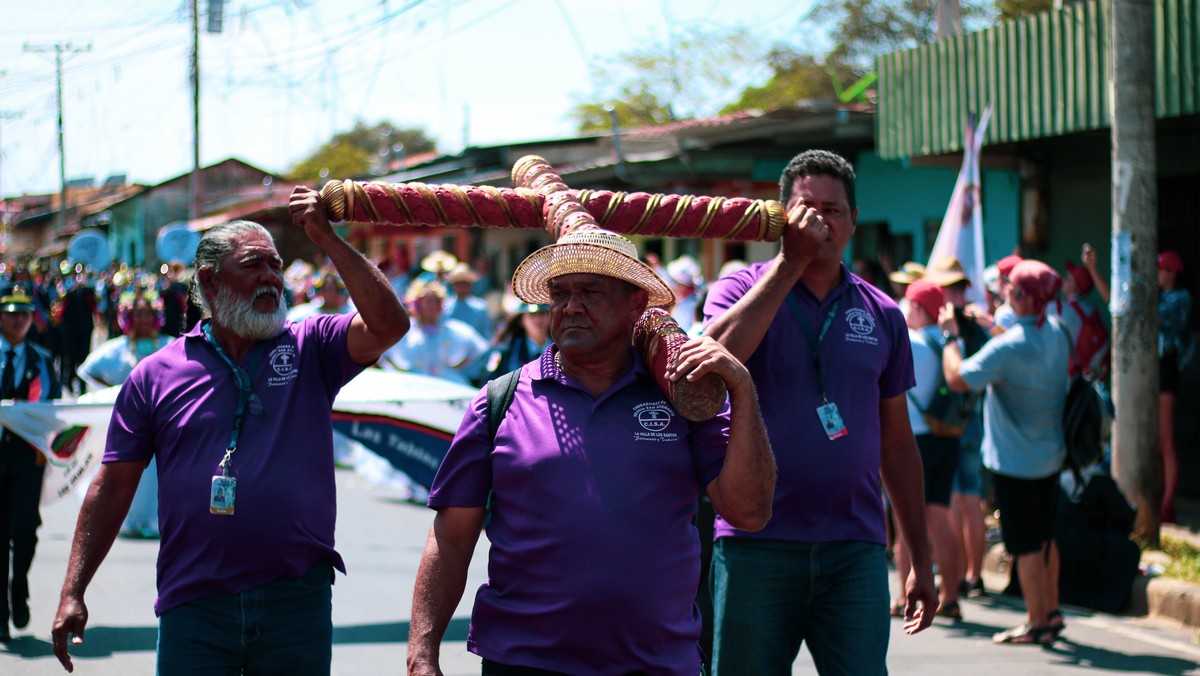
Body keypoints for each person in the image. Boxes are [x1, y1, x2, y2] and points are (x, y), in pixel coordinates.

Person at [51, 186, 410, 674]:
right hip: (194, 603)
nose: (271, 278)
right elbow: (112, 487)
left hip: (295, 599)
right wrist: (73, 589)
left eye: (276, 266)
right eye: (253, 266)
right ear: (210, 281)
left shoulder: (310, 345)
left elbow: (389, 325)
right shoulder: (155, 374)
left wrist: (326, 238)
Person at [407, 228, 776, 675]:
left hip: (655, 664)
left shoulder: (680, 398)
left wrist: (742, 389)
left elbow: (749, 512)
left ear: (636, 302)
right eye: (558, 293)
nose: (570, 307)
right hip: (524, 663)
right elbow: (451, 536)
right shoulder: (500, 400)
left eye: (590, 292)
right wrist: (421, 655)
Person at [702, 149, 937, 675]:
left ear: (853, 221)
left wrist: (919, 558)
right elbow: (711, 362)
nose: (820, 221)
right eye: (806, 208)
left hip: (853, 548)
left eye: (833, 210)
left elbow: (897, 445)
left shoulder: (881, 312)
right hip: (755, 543)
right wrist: (791, 263)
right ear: (781, 217)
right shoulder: (741, 288)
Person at [939, 259, 1070, 645]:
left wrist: (951, 337)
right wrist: (987, 324)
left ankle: (1036, 623)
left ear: (1022, 296)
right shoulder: (1057, 332)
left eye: (1010, 287)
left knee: (1026, 545)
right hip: (1051, 456)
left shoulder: (1010, 347)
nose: (1003, 291)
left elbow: (957, 379)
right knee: (1046, 539)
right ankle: (1052, 609)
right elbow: (1015, 340)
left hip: (1016, 463)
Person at [76, 290, 175, 539]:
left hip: (160, 427)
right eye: (138, 314)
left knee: (155, 477)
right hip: (129, 428)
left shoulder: (169, 345)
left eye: (147, 314)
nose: (142, 320)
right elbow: (89, 370)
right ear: (128, 318)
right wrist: (115, 394)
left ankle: (153, 520)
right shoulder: (117, 349)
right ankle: (125, 519)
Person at [894, 279, 963, 621]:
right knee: (940, 521)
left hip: (915, 441)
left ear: (918, 307)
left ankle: (901, 598)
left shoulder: (907, 341)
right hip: (947, 437)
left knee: (906, 521)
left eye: (907, 302)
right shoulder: (948, 342)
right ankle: (951, 596)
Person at [926, 257, 991, 600]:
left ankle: (952, 578)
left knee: (951, 502)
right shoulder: (977, 325)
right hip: (975, 419)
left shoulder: (942, 327)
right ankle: (974, 576)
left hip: (950, 423)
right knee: (972, 500)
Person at [0, 287, 62, 642]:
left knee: (24, 530)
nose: (19, 319)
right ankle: (1, 613)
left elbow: (52, 407)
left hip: (27, 457)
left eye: (24, 314)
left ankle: (18, 584)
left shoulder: (40, 358)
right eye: (12, 313)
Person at [380, 278, 488, 385]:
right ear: (417, 303)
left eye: (438, 301)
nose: (433, 306)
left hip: (445, 383)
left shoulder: (453, 329)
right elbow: (381, 354)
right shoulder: (404, 330)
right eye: (429, 301)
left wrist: (457, 365)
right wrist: (396, 372)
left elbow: (481, 349)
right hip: (412, 384)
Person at [1157, 250, 1192, 524]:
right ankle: (1158, 498)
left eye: (1160, 269)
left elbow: (1156, 320)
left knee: (1167, 441)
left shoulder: (1181, 298)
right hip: (1154, 370)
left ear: (1170, 272)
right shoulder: (1160, 297)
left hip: (1168, 370)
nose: (1156, 274)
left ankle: (1167, 505)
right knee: (1158, 440)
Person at [478, 299, 551, 384]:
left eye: (542, 313)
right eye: (532, 315)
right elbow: (488, 386)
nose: (538, 319)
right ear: (521, 321)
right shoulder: (506, 353)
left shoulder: (561, 350)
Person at [444, 263, 493, 340]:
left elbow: (486, 335)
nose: (462, 287)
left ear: (471, 285)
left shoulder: (480, 308)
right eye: (459, 284)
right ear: (453, 285)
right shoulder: (445, 307)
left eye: (466, 283)